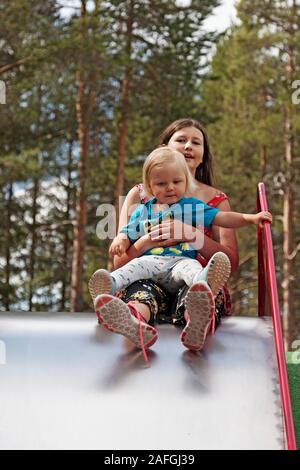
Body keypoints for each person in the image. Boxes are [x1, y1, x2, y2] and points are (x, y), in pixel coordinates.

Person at [89, 144, 272, 356]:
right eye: (161, 183)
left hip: (179, 263)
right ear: (149, 186)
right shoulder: (143, 210)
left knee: (193, 271)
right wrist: (120, 239)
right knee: (134, 271)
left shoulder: (191, 206)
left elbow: (222, 218)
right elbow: (128, 233)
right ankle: (123, 307)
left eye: (177, 182)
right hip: (151, 267)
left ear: (186, 182)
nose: (170, 188)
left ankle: (196, 321)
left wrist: (251, 218)